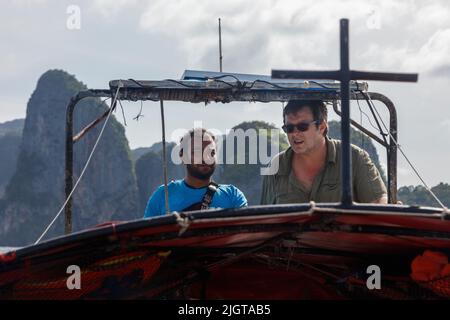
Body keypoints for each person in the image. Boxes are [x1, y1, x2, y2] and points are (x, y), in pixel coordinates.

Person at [260, 99, 387, 205]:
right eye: (289, 128)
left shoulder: (354, 158)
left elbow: (377, 204)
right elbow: (265, 218)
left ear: (321, 127)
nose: (294, 134)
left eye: (302, 127)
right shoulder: (275, 168)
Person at [144, 128, 248, 218]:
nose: (206, 158)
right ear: (182, 156)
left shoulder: (233, 196)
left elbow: (247, 233)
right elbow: (145, 236)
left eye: (211, 152)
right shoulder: (163, 195)